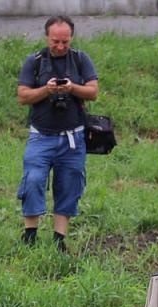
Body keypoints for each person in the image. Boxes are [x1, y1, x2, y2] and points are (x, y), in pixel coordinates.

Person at [16, 17, 99, 252]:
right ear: (47, 37)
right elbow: (22, 96)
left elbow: (93, 92)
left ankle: (59, 239)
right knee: (33, 180)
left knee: (69, 184)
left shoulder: (81, 59)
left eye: (65, 41)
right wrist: (47, 90)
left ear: (71, 38)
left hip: (73, 138)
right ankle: (29, 236)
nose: (60, 46)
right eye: (55, 41)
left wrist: (72, 88)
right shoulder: (34, 61)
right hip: (41, 136)